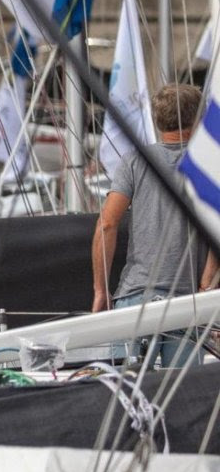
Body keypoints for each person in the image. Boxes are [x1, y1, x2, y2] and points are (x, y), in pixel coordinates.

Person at [92, 85, 217, 350]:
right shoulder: (208, 166)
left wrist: (101, 290)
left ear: (158, 120)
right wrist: (206, 285)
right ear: (198, 119)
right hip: (188, 301)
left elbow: (107, 224)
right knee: (183, 390)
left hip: (136, 296)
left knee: (124, 387)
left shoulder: (135, 161)